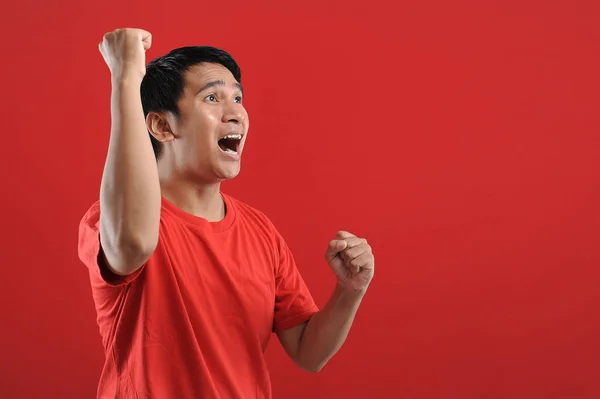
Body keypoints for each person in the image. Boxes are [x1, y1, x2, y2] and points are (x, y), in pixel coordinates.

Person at [77, 27, 375, 399]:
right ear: (162, 126)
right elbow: (133, 241)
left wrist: (350, 291)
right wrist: (125, 75)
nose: (236, 113)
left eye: (238, 97)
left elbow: (308, 350)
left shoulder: (260, 231)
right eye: (213, 97)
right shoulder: (111, 221)